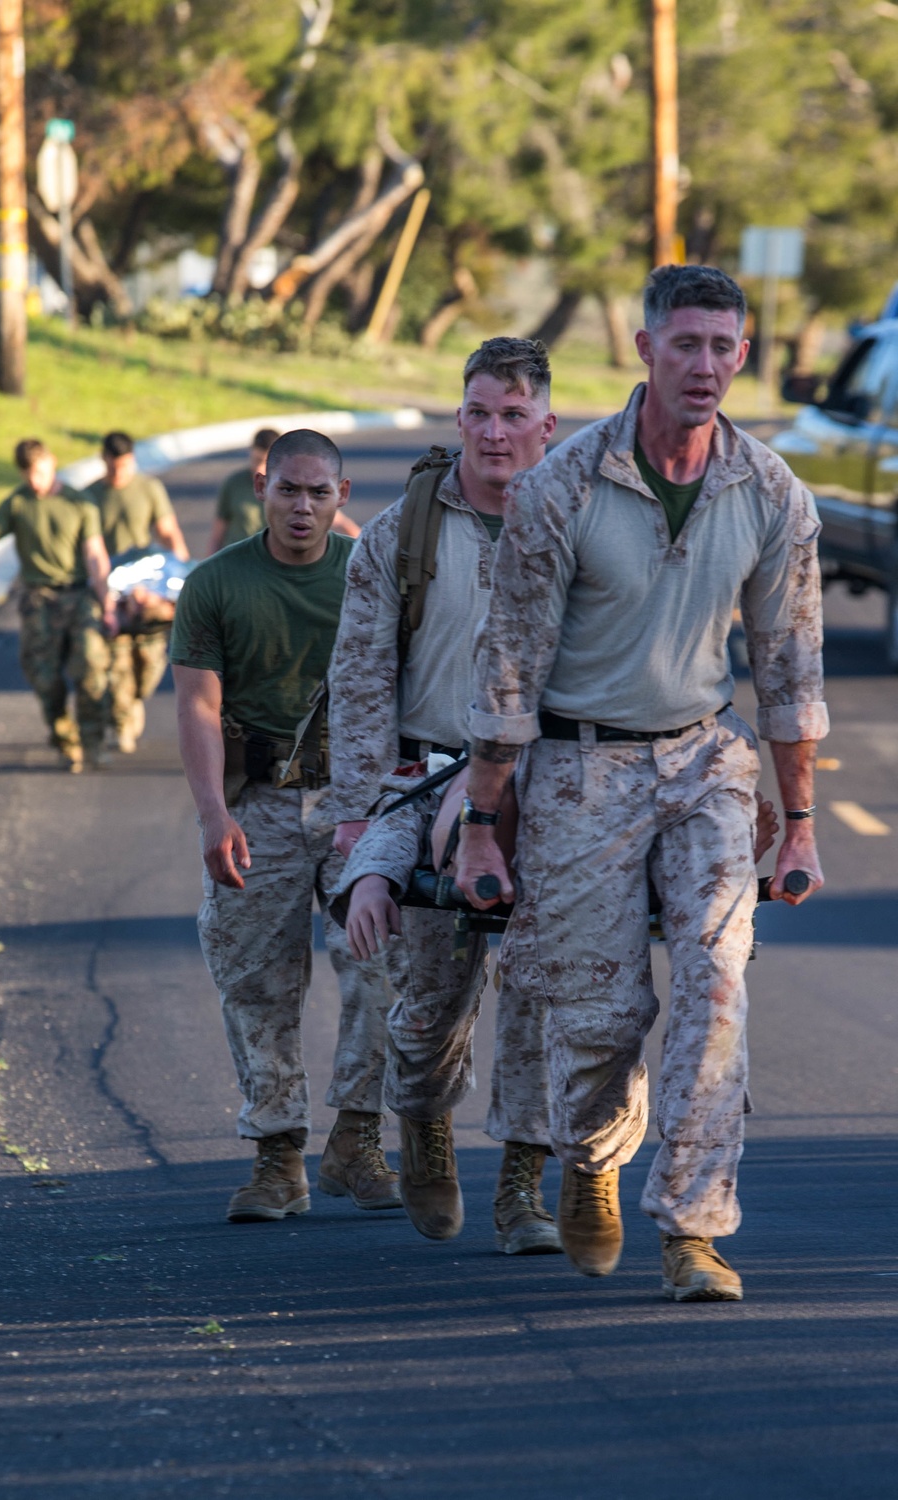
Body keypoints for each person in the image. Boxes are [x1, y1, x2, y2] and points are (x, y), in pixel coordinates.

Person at [452, 264, 827, 1302]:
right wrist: (482, 824)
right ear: (644, 349)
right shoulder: (559, 488)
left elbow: (791, 674)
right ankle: (589, 1155)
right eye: (685, 345)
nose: (703, 366)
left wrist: (796, 825)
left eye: (722, 347)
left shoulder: (769, 494)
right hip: (578, 770)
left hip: (703, 762)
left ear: (741, 356)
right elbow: (507, 675)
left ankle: (695, 1230)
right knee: (600, 1017)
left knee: (715, 993)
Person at [328, 338, 562, 1254]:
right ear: (457, 416)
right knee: (428, 1009)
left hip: (550, 787)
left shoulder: (578, 524)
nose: (493, 432)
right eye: (477, 412)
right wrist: (358, 818)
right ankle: (423, 1123)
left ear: (547, 424)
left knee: (544, 994)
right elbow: (357, 679)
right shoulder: (402, 533)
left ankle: (522, 1187)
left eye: (513, 415)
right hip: (424, 782)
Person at [171, 429, 401, 1223]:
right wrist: (214, 814)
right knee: (255, 975)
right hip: (258, 802)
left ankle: (357, 1140)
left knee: (381, 966)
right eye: (287, 490)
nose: (301, 507)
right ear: (262, 487)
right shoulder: (216, 583)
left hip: (358, 803)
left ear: (342, 498)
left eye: (319, 493)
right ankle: (278, 1157)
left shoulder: (372, 577)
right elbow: (198, 704)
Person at [0, 439, 116, 772]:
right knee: (44, 678)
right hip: (38, 600)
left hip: (77, 596)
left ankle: (94, 740)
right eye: (28, 475)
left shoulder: (79, 502)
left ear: (53, 464)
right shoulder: (17, 504)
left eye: (41, 473)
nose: (36, 482)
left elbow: (95, 554)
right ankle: (65, 738)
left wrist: (107, 602)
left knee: (90, 666)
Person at [85, 431, 190, 754]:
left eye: (126, 466)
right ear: (103, 461)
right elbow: (90, 550)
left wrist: (184, 577)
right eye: (114, 467)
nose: (120, 473)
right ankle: (121, 723)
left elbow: (168, 532)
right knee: (116, 663)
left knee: (148, 664)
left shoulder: (148, 489)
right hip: (108, 590)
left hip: (148, 590)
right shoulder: (89, 497)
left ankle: (135, 701)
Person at [208, 427, 361, 556]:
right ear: (260, 487)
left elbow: (341, 522)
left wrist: (367, 549)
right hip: (240, 563)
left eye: (266, 463)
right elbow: (218, 531)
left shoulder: (301, 485)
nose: (303, 506)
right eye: (257, 461)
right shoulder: (234, 483)